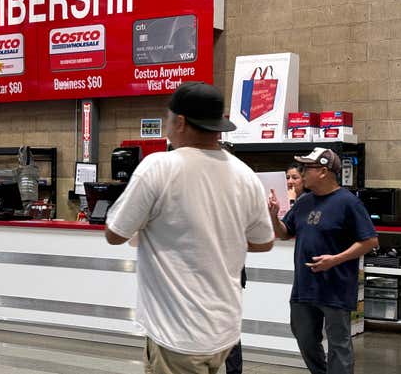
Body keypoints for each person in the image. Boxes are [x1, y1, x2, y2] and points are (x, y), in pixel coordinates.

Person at [105, 81, 275, 374]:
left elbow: (115, 234)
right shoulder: (244, 174)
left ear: (180, 121)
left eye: (168, 118)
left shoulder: (159, 166)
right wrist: (220, 236)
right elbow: (263, 242)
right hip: (224, 332)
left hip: (177, 336)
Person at [268, 147, 378, 374]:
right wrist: (273, 214)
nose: (302, 172)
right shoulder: (303, 201)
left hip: (335, 287)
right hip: (304, 286)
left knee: (339, 345)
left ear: (324, 172)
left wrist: (335, 259)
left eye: (307, 168)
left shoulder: (348, 203)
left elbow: (370, 241)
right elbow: (285, 232)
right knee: (304, 337)